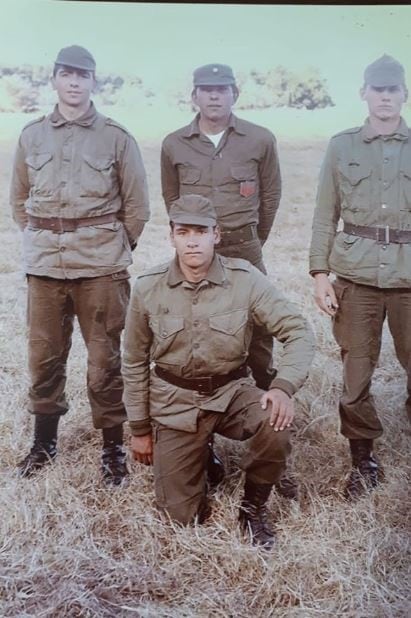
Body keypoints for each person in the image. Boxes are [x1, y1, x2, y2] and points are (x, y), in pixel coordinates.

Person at [122, 194, 314, 548]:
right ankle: (202, 454)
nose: (192, 240)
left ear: (217, 235)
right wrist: (139, 428)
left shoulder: (245, 279)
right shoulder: (148, 287)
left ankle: (252, 508)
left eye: (201, 231)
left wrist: (283, 387)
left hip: (231, 392)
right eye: (183, 232)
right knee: (180, 518)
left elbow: (298, 330)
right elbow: (133, 360)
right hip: (174, 403)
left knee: (276, 419)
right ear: (172, 237)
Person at [10, 45, 150, 486]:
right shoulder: (31, 135)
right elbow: (18, 201)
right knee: (43, 358)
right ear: (53, 79)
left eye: (83, 75)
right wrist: (43, 238)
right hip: (46, 266)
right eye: (67, 74)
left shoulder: (115, 136)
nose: (74, 82)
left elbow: (137, 207)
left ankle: (112, 448)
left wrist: (109, 246)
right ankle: (43, 443)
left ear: (94, 82)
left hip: (101, 266)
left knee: (105, 360)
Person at [161, 63, 282, 484]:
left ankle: (268, 445)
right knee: (200, 344)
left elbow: (270, 199)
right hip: (196, 253)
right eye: (206, 90)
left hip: (244, 249)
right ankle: (203, 446)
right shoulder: (174, 144)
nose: (214, 97)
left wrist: (248, 245)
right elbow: (172, 202)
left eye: (222, 89)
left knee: (259, 345)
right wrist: (196, 243)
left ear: (236, 93)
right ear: (194, 95)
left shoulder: (260, 139)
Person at [309, 54, 411, 500]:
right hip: (356, 275)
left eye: (393, 90)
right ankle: (362, 459)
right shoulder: (342, 145)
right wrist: (318, 273)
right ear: (364, 94)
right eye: (378, 89)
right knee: (356, 374)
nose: (385, 97)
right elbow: (323, 214)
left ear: (404, 95)